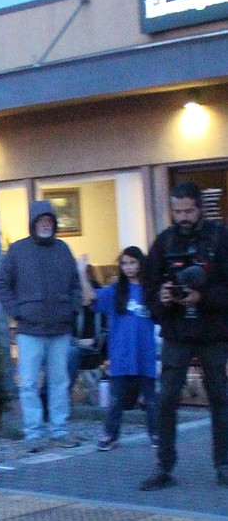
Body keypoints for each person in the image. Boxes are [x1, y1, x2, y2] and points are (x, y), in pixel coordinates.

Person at [139, 182, 228, 491]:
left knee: (221, 399)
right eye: (177, 211)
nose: (183, 217)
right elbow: (148, 291)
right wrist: (163, 298)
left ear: (200, 208)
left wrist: (201, 296)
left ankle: (223, 464)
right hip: (177, 332)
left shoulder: (220, 238)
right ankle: (164, 467)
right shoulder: (164, 242)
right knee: (166, 401)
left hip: (213, 333)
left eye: (188, 210)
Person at [0, 201, 85, 452]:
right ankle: (33, 433)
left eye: (49, 221)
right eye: (41, 220)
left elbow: (76, 284)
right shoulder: (17, 250)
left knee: (59, 382)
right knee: (28, 383)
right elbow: (1, 283)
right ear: (33, 223)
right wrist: (17, 311)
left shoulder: (63, 249)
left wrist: (72, 308)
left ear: (54, 223)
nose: (46, 224)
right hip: (30, 330)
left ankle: (59, 430)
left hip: (60, 329)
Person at [93, 247, 158, 452]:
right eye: (125, 263)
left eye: (133, 263)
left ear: (141, 263)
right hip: (121, 353)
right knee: (115, 399)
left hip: (145, 352)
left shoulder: (150, 289)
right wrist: (80, 273)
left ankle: (156, 433)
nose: (129, 267)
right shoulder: (116, 290)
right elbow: (90, 299)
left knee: (151, 399)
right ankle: (111, 435)